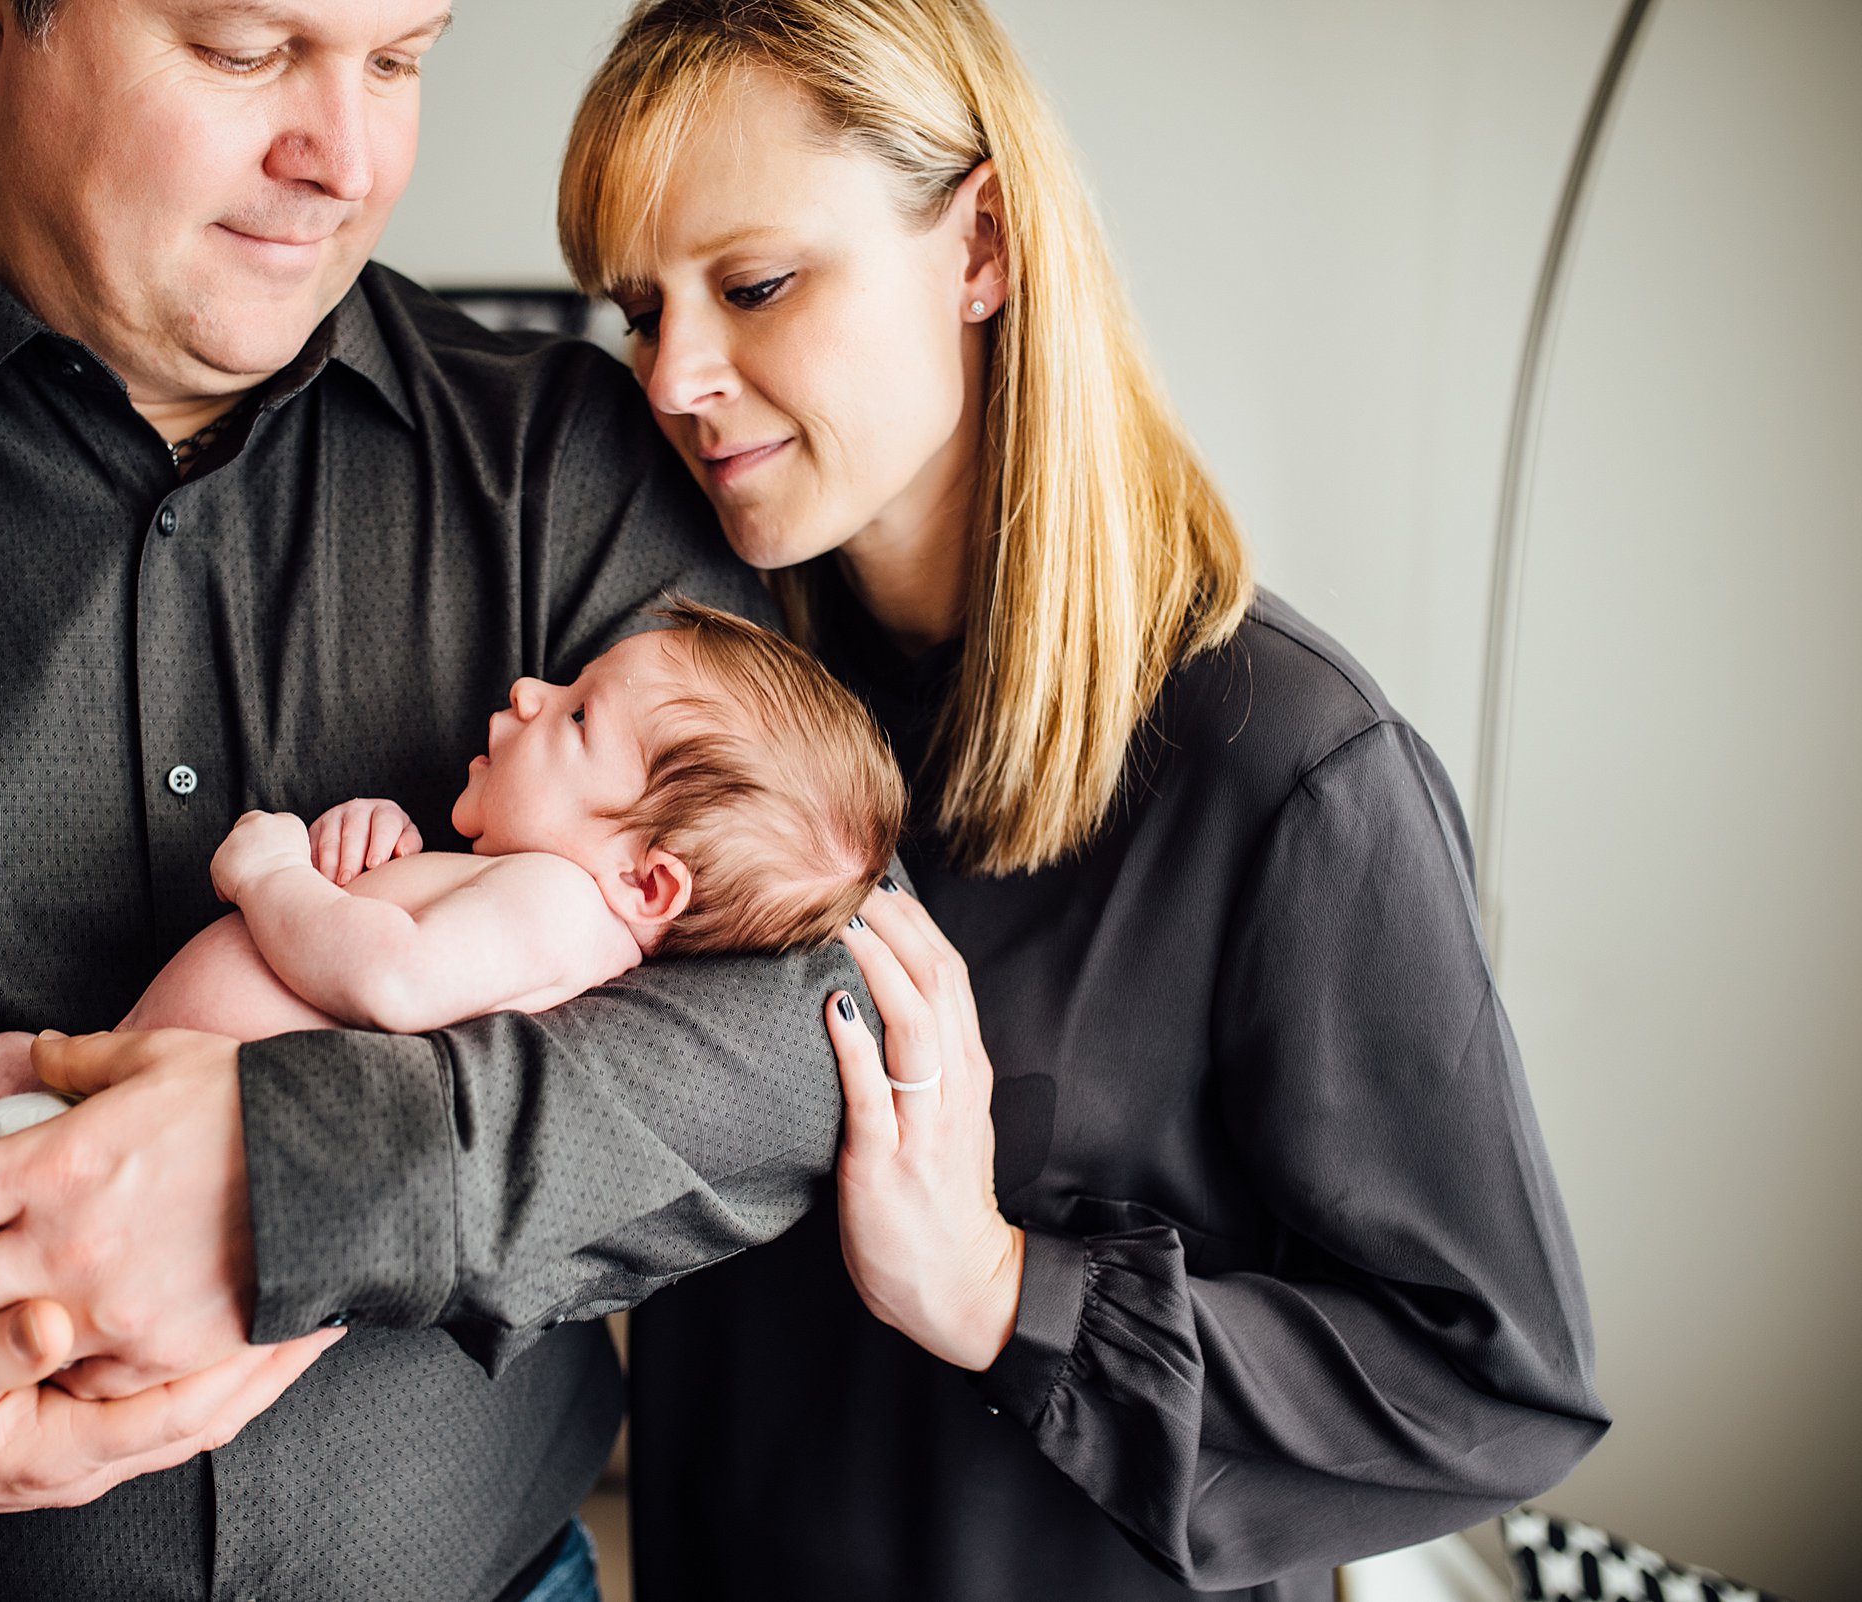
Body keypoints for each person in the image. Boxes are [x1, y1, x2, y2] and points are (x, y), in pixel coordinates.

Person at [0, 2, 869, 1597]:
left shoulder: (569, 461)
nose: (342, 159)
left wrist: (300, 1178)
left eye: (398, 60)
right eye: (245, 50)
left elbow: (795, 1022)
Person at [553, 1, 1611, 1598]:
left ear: (980, 244)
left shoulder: (1294, 776)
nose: (678, 373)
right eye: (643, 310)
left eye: (755, 284)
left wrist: (999, 1288)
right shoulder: (683, 701)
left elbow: (1494, 1381)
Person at [0, 607, 904, 1382]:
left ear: (653, 883)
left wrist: (277, 874)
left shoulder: (559, 903)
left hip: (142, 1178)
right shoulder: (533, 888)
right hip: (115, 1101)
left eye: (573, 721)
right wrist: (378, 846)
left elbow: (388, 979)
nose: (528, 690)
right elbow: (415, 932)